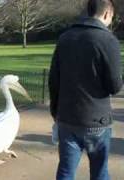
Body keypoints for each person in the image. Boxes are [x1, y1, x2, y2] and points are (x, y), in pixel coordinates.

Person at [49, 0, 123, 179]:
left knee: (66, 171)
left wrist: (55, 112)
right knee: (99, 172)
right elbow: (114, 87)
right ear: (107, 14)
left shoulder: (65, 38)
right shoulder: (108, 40)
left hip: (67, 118)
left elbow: (53, 80)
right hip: (97, 120)